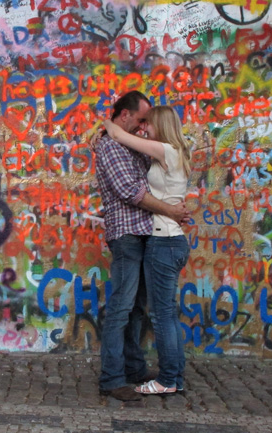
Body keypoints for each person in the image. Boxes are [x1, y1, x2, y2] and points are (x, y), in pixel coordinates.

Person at [95, 91, 189, 402]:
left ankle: (134, 369)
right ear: (124, 116)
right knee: (121, 308)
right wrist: (170, 209)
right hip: (126, 237)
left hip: (149, 238)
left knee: (137, 310)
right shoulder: (111, 146)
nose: (143, 126)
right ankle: (112, 378)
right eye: (140, 120)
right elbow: (131, 191)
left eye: (148, 121)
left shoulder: (134, 145)